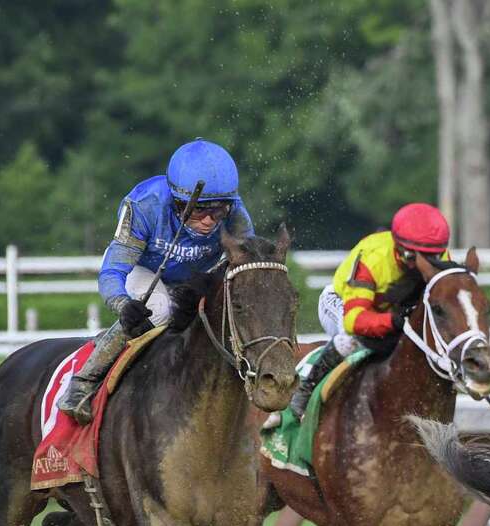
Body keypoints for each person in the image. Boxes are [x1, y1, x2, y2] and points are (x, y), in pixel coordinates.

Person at [57, 138, 255, 423]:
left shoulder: (235, 213)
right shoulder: (145, 205)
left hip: (197, 278)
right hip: (144, 271)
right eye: (199, 210)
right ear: (177, 203)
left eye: (218, 210)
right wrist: (123, 305)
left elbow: (247, 266)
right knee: (159, 308)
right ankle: (84, 381)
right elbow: (112, 272)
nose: (210, 220)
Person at [287, 202, 450, 419]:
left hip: (393, 309)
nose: (422, 265)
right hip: (342, 302)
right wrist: (393, 321)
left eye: (430, 258)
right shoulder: (374, 259)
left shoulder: (442, 259)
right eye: (413, 257)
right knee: (352, 340)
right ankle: (305, 391)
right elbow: (354, 320)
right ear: (398, 247)